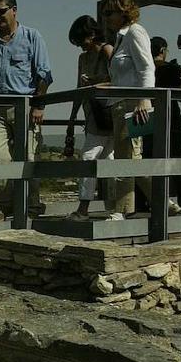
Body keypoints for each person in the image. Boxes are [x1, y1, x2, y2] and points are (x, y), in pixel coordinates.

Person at [95, 0, 170, 220]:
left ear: (123, 11)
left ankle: (122, 209)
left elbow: (147, 67)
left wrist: (143, 99)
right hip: (120, 102)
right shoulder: (120, 37)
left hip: (131, 103)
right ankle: (162, 200)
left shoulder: (135, 32)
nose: (106, 18)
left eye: (109, 13)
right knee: (131, 157)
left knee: (125, 158)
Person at [0, 0, 52, 219]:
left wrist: (38, 106)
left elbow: (44, 75)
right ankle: (6, 205)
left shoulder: (32, 36)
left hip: (25, 106)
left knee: (29, 158)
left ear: (14, 10)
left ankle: (32, 206)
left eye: (1, 11)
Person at [62, 15, 113, 220]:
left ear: (91, 35)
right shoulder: (83, 58)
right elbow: (78, 89)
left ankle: (84, 209)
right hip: (93, 115)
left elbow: (118, 80)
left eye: (81, 40)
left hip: (110, 112)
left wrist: (94, 82)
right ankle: (117, 207)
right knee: (109, 161)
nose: (80, 46)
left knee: (89, 158)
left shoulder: (106, 51)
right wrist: (72, 120)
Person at [151, 36, 181, 208]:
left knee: (149, 161)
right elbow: (180, 95)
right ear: (163, 50)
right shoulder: (171, 68)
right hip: (172, 119)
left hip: (149, 120)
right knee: (177, 160)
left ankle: (148, 200)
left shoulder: (144, 69)